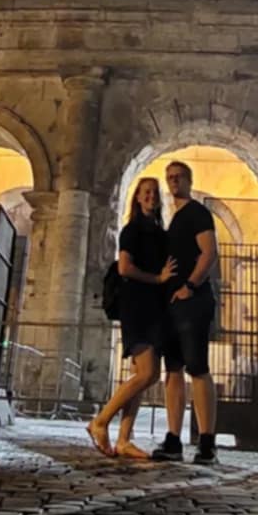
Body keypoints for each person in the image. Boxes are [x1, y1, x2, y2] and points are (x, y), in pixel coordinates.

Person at [87, 176, 175, 461]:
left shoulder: (159, 232)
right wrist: (158, 278)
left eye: (155, 192)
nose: (151, 196)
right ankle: (100, 421)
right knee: (148, 373)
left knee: (142, 374)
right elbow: (125, 268)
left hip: (155, 307)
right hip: (137, 306)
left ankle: (124, 440)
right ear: (137, 197)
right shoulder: (132, 230)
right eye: (145, 192)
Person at [151, 160, 220, 465]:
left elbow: (209, 251)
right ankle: (173, 439)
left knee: (198, 368)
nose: (174, 181)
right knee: (173, 370)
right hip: (172, 303)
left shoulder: (197, 213)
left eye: (179, 176)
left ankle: (207, 443)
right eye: (170, 177)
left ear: (189, 181)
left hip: (192, 301)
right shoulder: (175, 218)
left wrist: (190, 285)